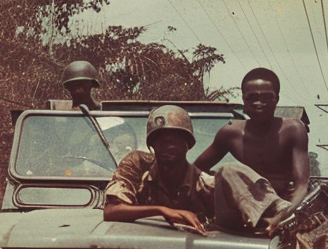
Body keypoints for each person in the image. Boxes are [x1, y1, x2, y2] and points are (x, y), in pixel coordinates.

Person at [195, 67, 309, 231]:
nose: (259, 103)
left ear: (277, 99)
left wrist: (282, 216)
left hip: (281, 210)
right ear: (244, 100)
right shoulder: (230, 132)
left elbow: (302, 185)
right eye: (252, 97)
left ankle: (272, 210)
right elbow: (196, 170)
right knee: (226, 172)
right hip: (236, 212)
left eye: (266, 97)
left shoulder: (293, 130)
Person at [103, 105, 215, 235]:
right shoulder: (138, 166)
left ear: (187, 145)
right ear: (152, 145)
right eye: (161, 140)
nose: (168, 146)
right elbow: (111, 211)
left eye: (175, 140)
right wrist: (161, 210)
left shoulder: (203, 183)